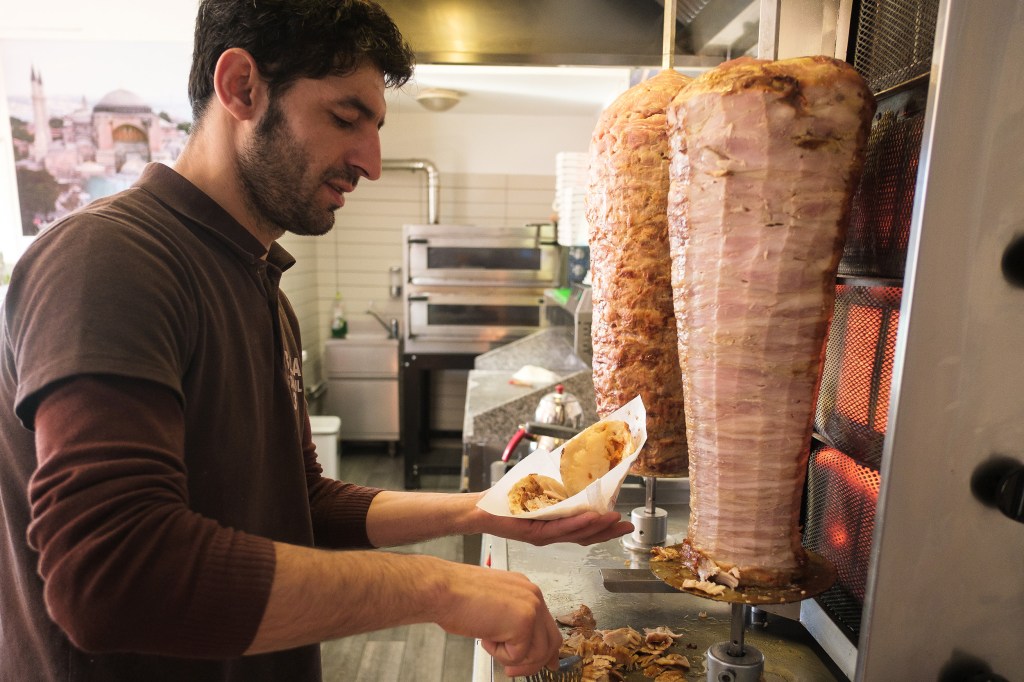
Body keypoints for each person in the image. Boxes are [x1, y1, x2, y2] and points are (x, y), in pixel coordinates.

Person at [0, 1, 632, 680]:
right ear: (241, 87)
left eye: (376, 128)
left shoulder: (258, 281)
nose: (372, 161)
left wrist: (488, 509)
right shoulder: (111, 260)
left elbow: (297, 504)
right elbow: (112, 578)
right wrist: (440, 588)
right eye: (344, 118)